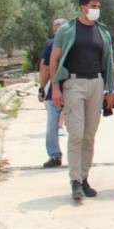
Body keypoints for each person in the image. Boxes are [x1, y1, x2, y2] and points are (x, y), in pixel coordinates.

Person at [49, 0, 114, 201]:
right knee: (76, 134)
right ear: (82, 8)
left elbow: (108, 61)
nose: (97, 9)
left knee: (89, 135)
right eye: (93, 6)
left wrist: (111, 89)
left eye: (98, 6)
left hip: (96, 83)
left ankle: (84, 177)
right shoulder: (67, 30)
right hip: (73, 84)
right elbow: (54, 59)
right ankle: (75, 180)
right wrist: (55, 88)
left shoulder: (102, 32)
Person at [38, 18, 67, 168]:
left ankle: (77, 155)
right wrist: (42, 87)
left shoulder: (73, 43)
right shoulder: (51, 44)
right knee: (51, 125)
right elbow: (46, 67)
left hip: (72, 89)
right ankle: (54, 154)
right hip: (54, 90)